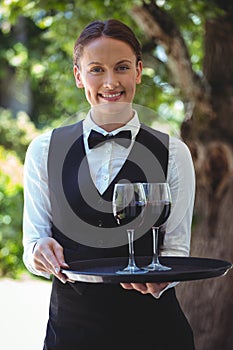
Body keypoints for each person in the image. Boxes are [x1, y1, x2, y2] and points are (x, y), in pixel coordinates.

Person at [22, 19, 196, 349]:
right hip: (70, 333)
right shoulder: (43, 151)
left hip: (154, 334)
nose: (111, 81)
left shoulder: (175, 153)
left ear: (139, 72)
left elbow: (175, 251)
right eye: (96, 69)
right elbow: (33, 243)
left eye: (122, 67)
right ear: (78, 76)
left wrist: (161, 281)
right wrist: (38, 252)